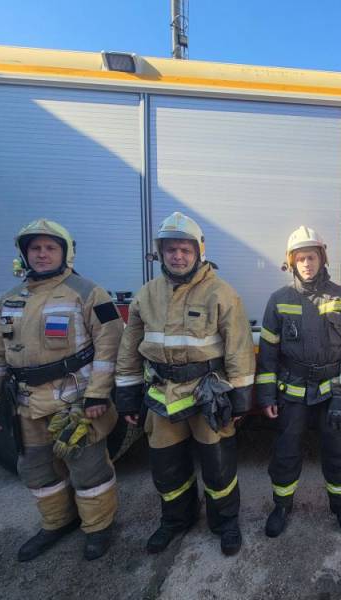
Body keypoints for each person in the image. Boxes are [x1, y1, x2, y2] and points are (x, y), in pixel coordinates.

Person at [0, 219, 123, 561]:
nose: (42, 255)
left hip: (74, 402)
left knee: (89, 469)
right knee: (36, 469)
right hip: (26, 405)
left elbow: (111, 344)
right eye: (35, 249)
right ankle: (57, 523)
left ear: (65, 252)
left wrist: (98, 394)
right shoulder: (9, 300)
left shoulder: (90, 293)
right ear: (25, 254)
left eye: (50, 248)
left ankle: (99, 527)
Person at [114, 212, 254, 556]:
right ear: (160, 253)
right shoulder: (146, 295)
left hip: (209, 394)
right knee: (166, 467)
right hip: (162, 394)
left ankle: (225, 523)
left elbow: (239, 346)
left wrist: (241, 397)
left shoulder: (222, 293)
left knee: (219, 467)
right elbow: (129, 348)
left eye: (184, 250)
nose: (178, 256)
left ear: (198, 252)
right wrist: (127, 395)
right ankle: (176, 521)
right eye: (171, 250)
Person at [256, 226, 341, 537]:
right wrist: (266, 397)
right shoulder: (279, 300)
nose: (306, 264)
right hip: (292, 390)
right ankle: (281, 506)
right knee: (286, 450)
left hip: (334, 388)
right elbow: (267, 355)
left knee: (338, 451)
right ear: (291, 262)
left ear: (322, 258)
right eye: (300, 258)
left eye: (312, 257)